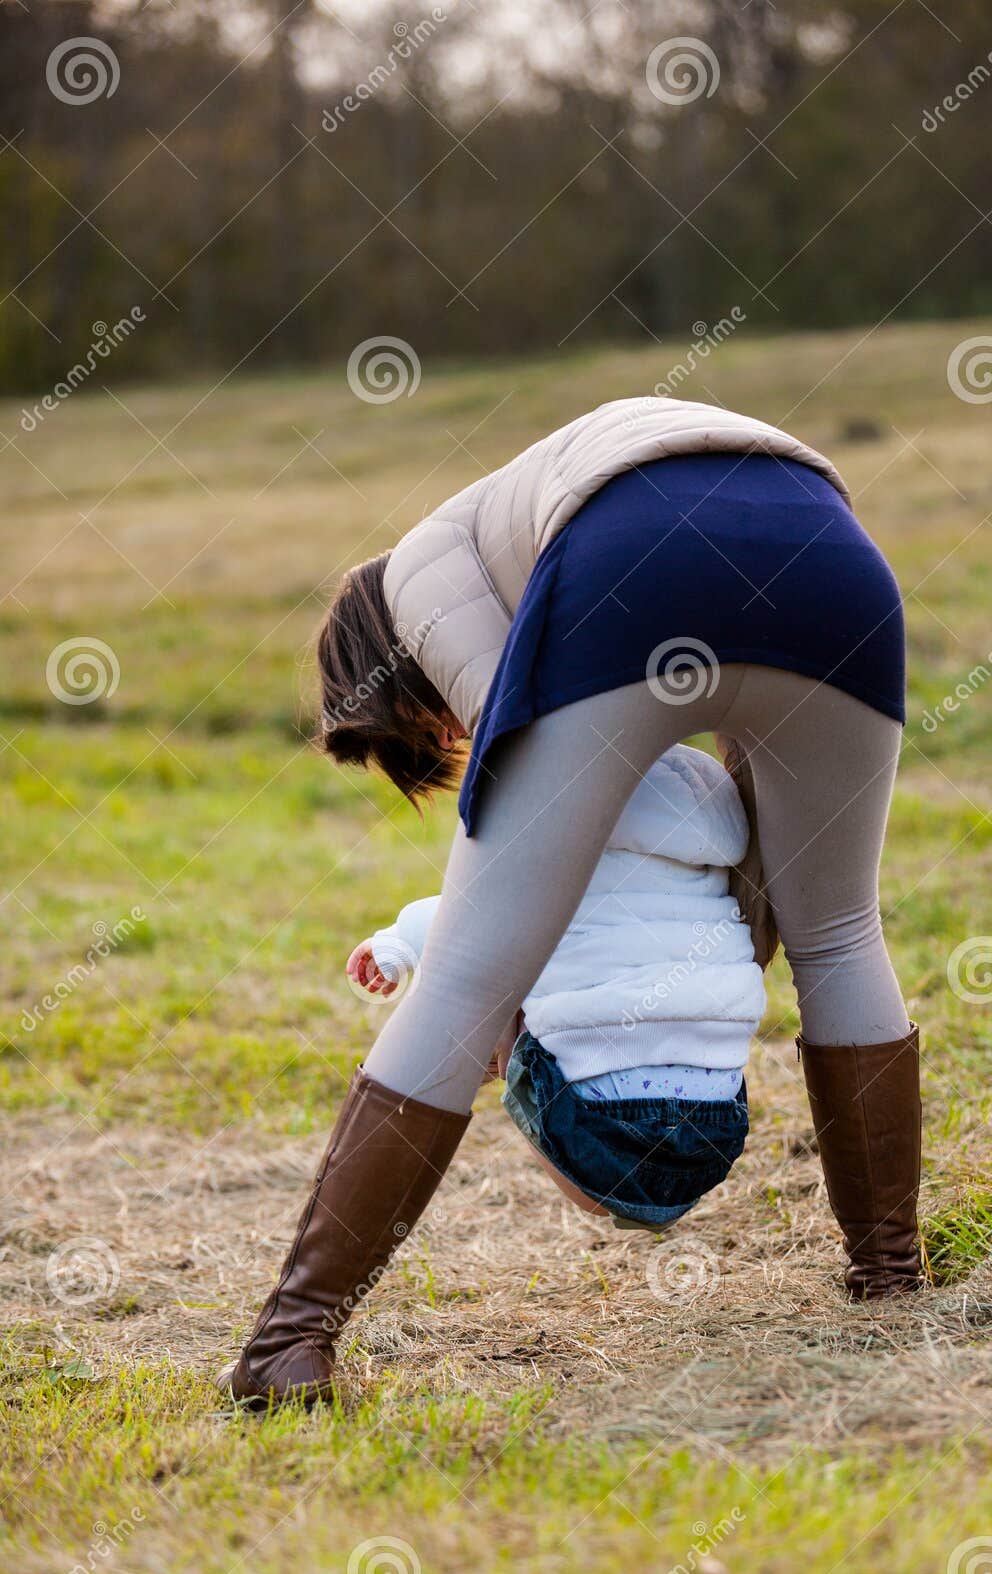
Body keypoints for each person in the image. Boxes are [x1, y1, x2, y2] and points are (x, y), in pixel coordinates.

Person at [220, 396, 923, 1411]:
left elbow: (551, 812)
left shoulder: (422, 568)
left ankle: (289, 1342)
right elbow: (735, 809)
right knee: (842, 932)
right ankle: (889, 1275)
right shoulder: (505, 519)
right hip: (834, 561)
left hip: (639, 556)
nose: (444, 743)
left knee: (462, 977)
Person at [349, 744, 765, 1231]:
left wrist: (396, 943)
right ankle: (639, 1190)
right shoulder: (709, 860)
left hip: (598, 1132)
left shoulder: (565, 824)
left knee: (497, 981)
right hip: (714, 1133)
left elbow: (470, 922)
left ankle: (483, 1059)